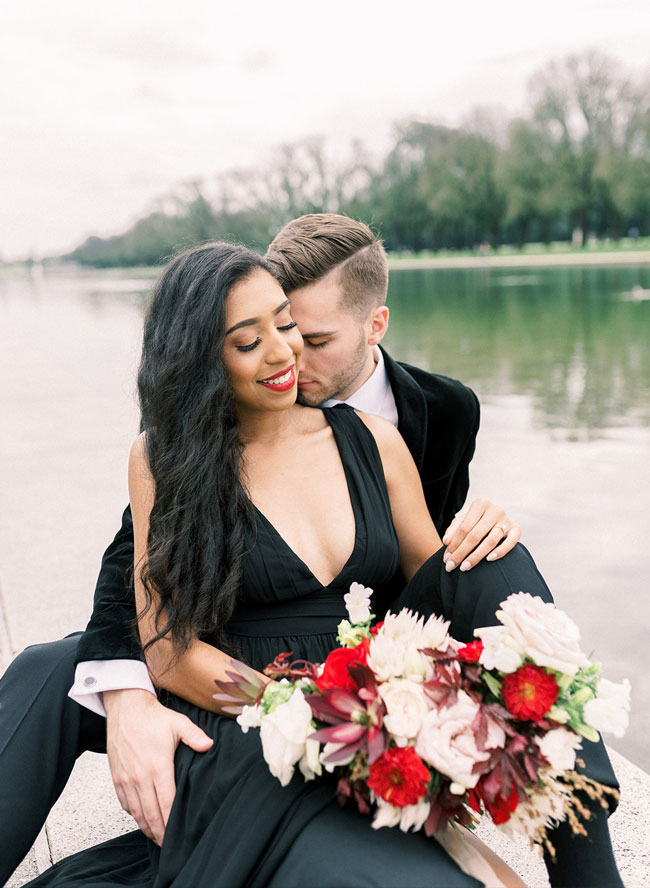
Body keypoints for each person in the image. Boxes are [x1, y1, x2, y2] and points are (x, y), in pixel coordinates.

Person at [0, 219, 619, 886]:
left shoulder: (388, 436)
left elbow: (437, 578)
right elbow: (155, 620)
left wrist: (484, 541)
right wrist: (283, 707)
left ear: (373, 326)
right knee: (52, 666)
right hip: (253, 700)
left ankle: (582, 840)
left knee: (494, 557)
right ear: (207, 358)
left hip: (371, 668)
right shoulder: (173, 455)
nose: (285, 355)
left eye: (295, 331)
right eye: (251, 339)